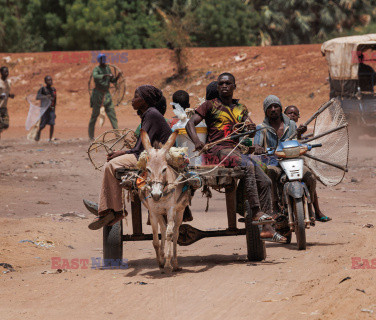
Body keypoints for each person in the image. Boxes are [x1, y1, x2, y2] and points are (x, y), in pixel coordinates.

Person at [185, 73, 286, 243]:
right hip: (217, 150)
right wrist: (196, 141)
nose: (224, 86)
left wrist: (251, 128)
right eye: (221, 83)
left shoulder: (241, 108)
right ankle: (255, 211)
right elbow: (190, 124)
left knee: (266, 182)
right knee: (247, 165)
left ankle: (268, 228)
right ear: (218, 87)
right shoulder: (209, 105)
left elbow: (251, 130)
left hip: (236, 150)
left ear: (234, 87)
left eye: (228, 83)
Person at [86, 85, 172, 230]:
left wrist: (122, 153)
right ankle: (109, 208)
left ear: (145, 100)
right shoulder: (149, 114)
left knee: (111, 165)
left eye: (136, 97)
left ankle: (115, 210)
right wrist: (125, 152)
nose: (132, 101)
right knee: (112, 163)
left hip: (156, 159)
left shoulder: (151, 114)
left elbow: (140, 149)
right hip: (151, 155)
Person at [255, 95, 331, 223]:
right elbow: (257, 143)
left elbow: (296, 141)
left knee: (310, 177)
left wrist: (300, 134)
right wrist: (258, 147)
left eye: (276, 106)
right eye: (269, 107)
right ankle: (274, 208)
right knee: (271, 173)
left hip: (293, 161)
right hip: (274, 162)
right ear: (265, 111)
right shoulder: (261, 128)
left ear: (280, 108)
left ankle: (310, 206)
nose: (273, 109)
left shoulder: (290, 124)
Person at [88, 53, 120, 140]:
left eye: (104, 59)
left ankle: (118, 135)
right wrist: (106, 75)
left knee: (112, 114)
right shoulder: (97, 69)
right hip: (97, 95)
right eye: (102, 59)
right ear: (99, 60)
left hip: (107, 95)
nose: (104, 61)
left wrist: (116, 77)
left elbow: (112, 80)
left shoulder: (107, 68)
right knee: (95, 115)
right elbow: (95, 76)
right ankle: (91, 136)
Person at [35, 76, 57, 142]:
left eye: (51, 80)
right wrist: (45, 96)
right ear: (45, 82)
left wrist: (54, 108)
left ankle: (50, 138)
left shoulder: (53, 90)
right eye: (48, 80)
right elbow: (37, 97)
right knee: (42, 125)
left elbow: (55, 99)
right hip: (44, 109)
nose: (50, 81)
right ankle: (38, 134)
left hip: (51, 109)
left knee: (52, 123)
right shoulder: (43, 89)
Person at [0, 66, 15, 138]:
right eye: (5, 72)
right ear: (1, 73)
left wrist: (10, 95)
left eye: (7, 71)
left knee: (6, 124)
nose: (7, 73)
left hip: (4, 107)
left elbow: (5, 92)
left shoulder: (8, 82)